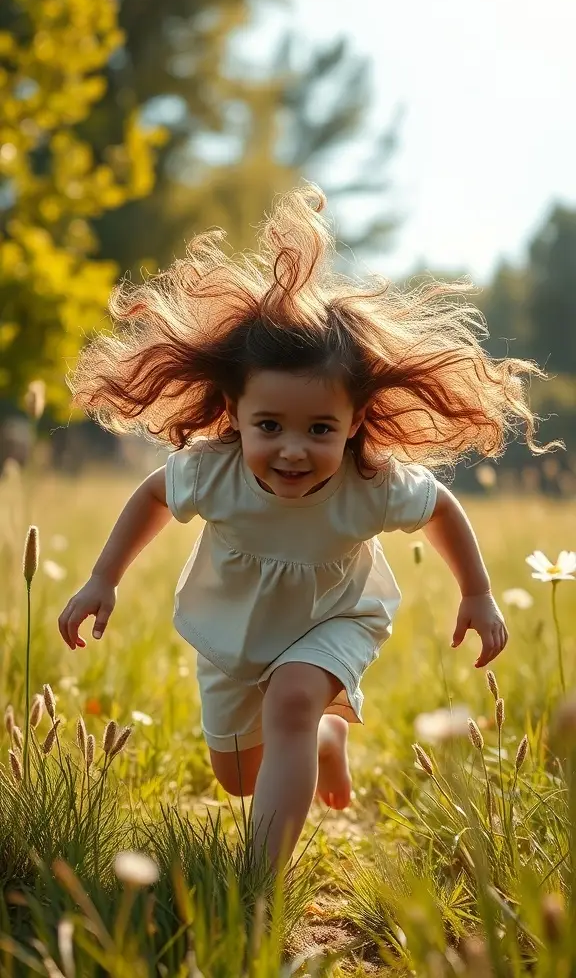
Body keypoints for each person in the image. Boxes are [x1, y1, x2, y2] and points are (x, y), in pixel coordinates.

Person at [57, 184, 550, 869]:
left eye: (320, 429)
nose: (293, 449)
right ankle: (322, 739)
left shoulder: (368, 482)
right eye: (270, 426)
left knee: (292, 698)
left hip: (338, 615)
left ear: (354, 424)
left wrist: (477, 591)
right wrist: (101, 579)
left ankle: (260, 883)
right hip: (234, 629)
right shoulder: (214, 471)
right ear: (235, 412)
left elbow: (440, 506)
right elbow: (151, 496)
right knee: (237, 777)